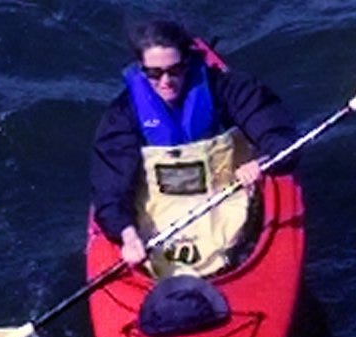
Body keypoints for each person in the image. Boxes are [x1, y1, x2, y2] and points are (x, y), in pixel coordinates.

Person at [90, 18, 299, 278]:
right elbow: (109, 185)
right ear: (141, 69)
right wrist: (126, 234)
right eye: (154, 73)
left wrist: (265, 160)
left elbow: (279, 134)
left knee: (236, 248)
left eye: (174, 70)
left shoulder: (228, 89)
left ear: (188, 62)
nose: (165, 81)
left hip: (227, 195)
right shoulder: (122, 114)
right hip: (159, 211)